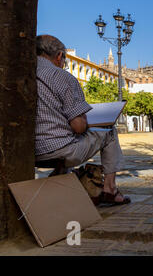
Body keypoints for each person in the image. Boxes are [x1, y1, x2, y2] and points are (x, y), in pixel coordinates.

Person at [34, 35, 130, 205]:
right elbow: (78, 127)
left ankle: (61, 180)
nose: (64, 63)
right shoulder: (62, 77)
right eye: (64, 59)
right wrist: (85, 120)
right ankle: (110, 189)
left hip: (31, 150)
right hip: (58, 150)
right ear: (59, 56)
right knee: (109, 132)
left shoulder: (20, 73)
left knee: (64, 135)